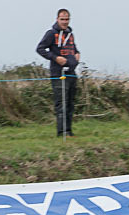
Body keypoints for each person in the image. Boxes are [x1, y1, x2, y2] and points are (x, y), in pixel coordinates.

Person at [36, 8, 81, 137]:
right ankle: (62, 132)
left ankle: (69, 131)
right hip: (58, 73)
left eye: (67, 19)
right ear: (57, 19)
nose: (65, 22)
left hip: (71, 72)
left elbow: (73, 48)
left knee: (70, 103)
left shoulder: (70, 34)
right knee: (61, 103)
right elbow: (40, 49)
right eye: (62, 19)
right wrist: (55, 58)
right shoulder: (51, 33)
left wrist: (77, 54)